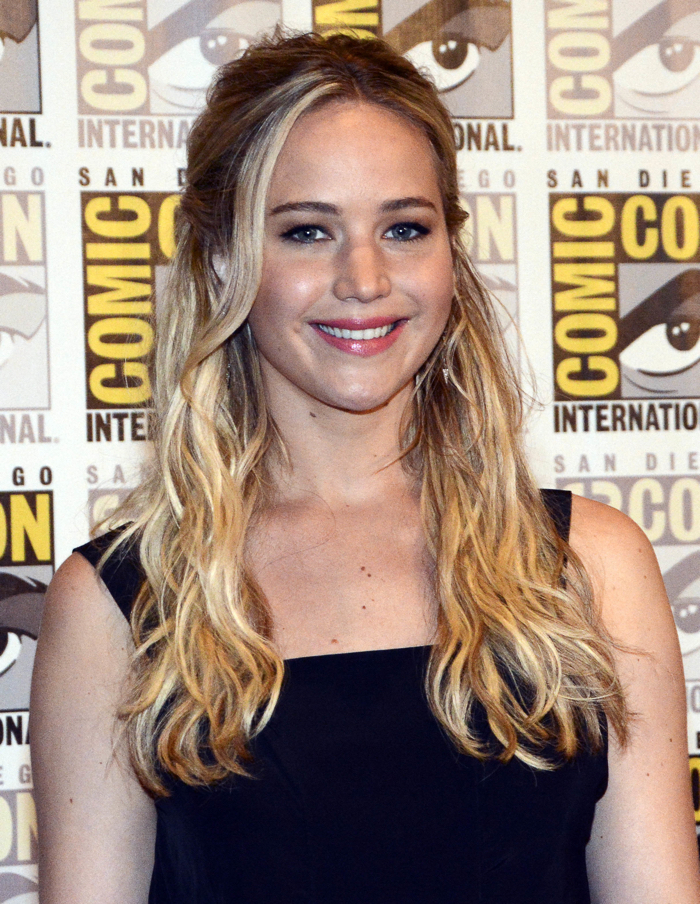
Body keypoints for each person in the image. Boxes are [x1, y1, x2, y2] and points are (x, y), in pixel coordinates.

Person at [30, 31, 699, 904]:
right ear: (225, 257)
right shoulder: (122, 605)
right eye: (308, 231)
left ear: (450, 253)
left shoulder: (588, 567)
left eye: (404, 228)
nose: (364, 277)